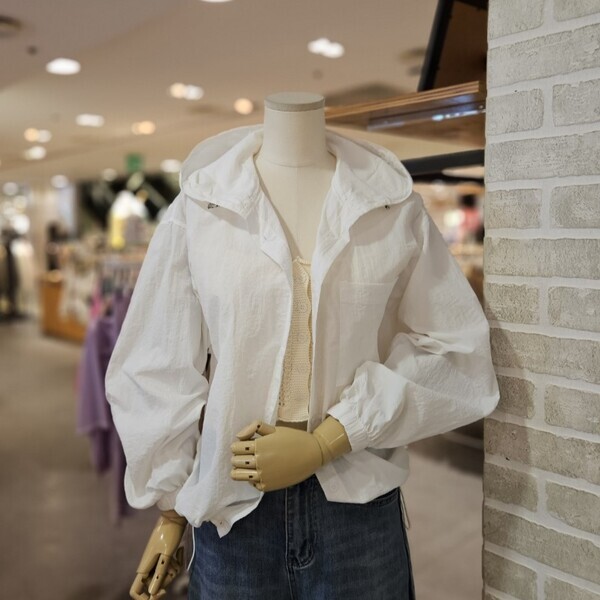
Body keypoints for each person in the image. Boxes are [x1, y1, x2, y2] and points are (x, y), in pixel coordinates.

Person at [106, 92, 500, 599]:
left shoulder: (391, 208)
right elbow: (155, 362)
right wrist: (171, 505)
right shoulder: (201, 210)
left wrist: (328, 439)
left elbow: (456, 350)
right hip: (233, 507)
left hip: (356, 509)